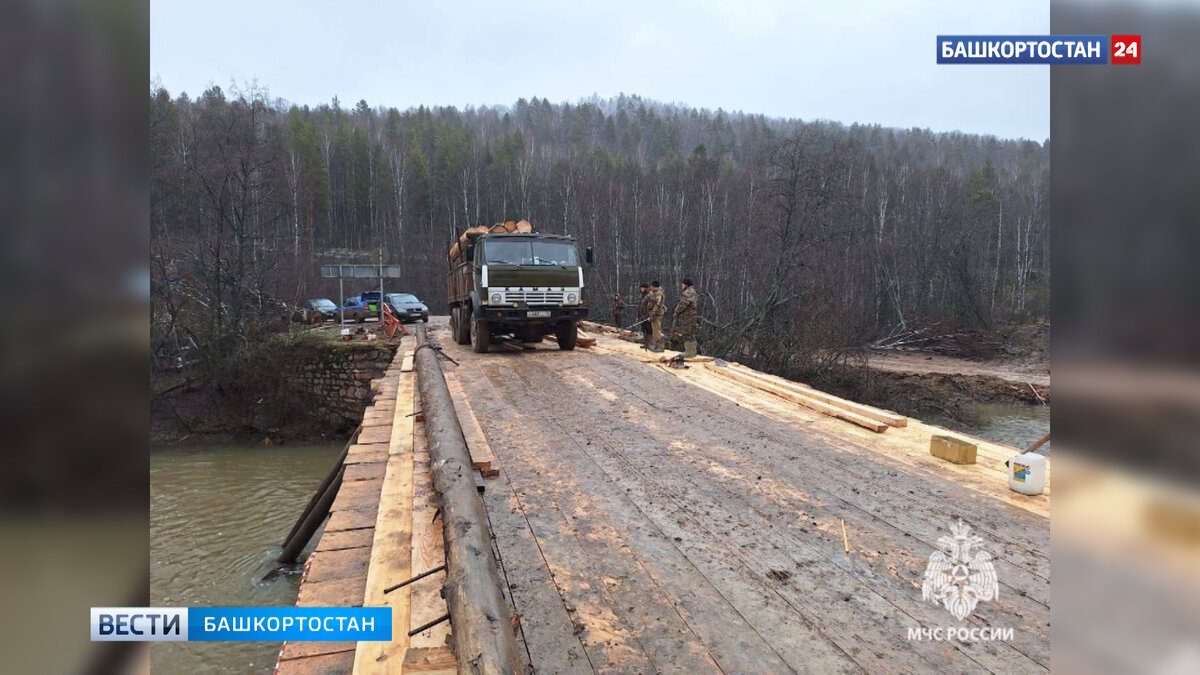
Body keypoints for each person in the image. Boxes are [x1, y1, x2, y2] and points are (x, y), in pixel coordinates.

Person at [673, 277, 700, 357]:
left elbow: (684, 304)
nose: (681, 285)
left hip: (687, 317)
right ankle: (693, 351)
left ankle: (689, 352)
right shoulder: (693, 292)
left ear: (686, 284)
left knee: (686, 333)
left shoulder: (688, 292)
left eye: (683, 284)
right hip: (691, 316)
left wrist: (676, 311)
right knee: (691, 333)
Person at [649, 281, 666, 352]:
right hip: (654, 313)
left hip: (657, 314)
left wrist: (653, 312)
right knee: (654, 330)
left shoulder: (659, 294)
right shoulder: (654, 293)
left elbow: (658, 304)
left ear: (654, 287)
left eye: (651, 286)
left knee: (657, 330)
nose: (650, 288)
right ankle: (656, 345)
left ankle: (660, 347)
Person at [635, 283, 653, 349]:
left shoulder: (650, 295)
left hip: (648, 316)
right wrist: (637, 316)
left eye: (642, 288)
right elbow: (639, 307)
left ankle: (650, 344)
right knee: (644, 330)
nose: (641, 289)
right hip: (642, 316)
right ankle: (646, 344)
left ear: (645, 288)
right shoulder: (641, 296)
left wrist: (650, 315)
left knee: (649, 330)